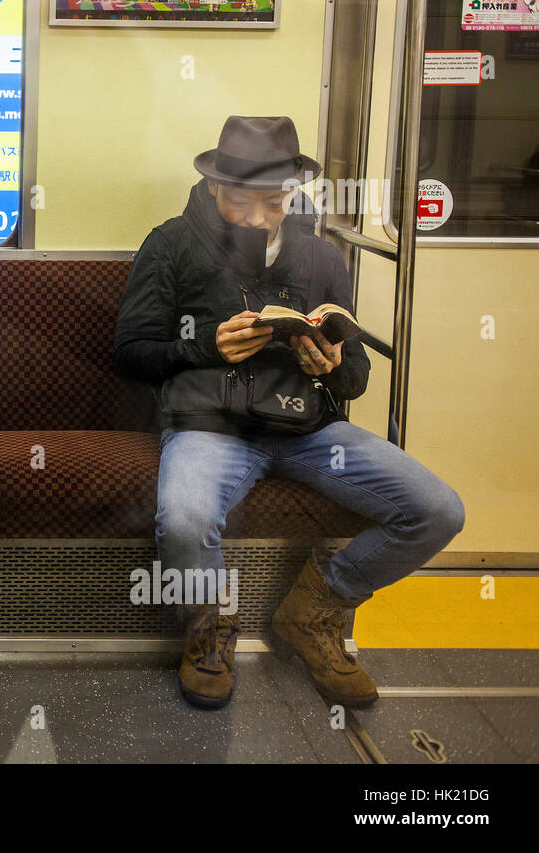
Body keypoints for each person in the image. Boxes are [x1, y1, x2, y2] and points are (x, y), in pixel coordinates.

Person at [113, 116, 465, 710]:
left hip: (308, 429)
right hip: (211, 427)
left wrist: (331, 365)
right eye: (241, 203)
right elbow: (130, 354)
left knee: (438, 510)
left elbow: (356, 376)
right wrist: (203, 347)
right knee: (183, 520)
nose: (258, 219)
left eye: (273, 204)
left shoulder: (319, 257)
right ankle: (210, 626)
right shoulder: (170, 243)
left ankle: (314, 610)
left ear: (291, 195)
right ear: (213, 189)